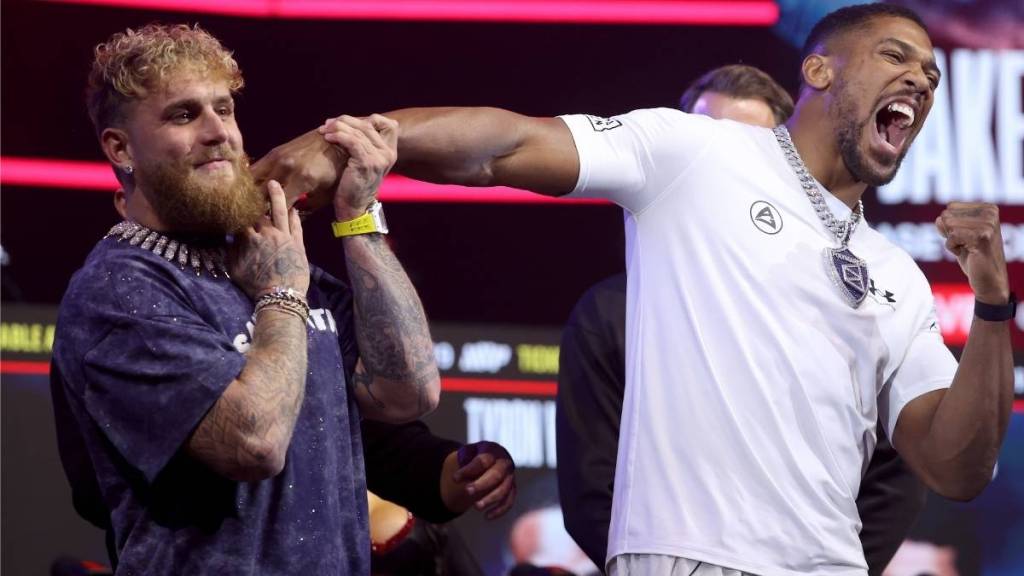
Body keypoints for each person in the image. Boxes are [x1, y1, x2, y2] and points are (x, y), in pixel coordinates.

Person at [261, 3, 1015, 574]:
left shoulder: (896, 276)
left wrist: (990, 303)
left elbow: (956, 465)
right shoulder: (698, 152)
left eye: (931, 73)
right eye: (895, 55)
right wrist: (361, 140)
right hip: (686, 557)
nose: (921, 77)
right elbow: (508, 144)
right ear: (819, 71)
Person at [50, 24, 441, 575]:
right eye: (184, 115)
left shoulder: (266, 253)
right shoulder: (117, 290)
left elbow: (409, 392)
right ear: (120, 147)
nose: (219, 133)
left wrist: (357, 219)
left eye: (225, 109)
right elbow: (252, 444)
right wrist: (281, 296)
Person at [556, 64, 927, 575]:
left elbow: (900, 464)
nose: (723, 160)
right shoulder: (609, 316)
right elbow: (590, 486)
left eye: (744, 144)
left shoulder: (861, 298)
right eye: (706, 140)